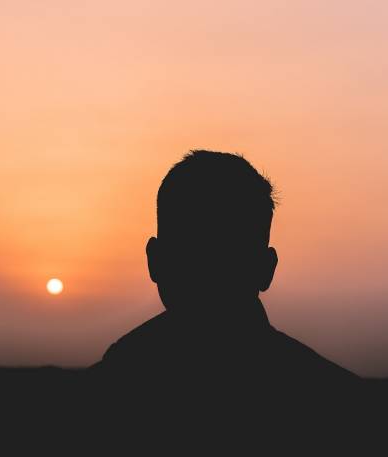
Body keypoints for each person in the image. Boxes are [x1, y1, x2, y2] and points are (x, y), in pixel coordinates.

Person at [90, 150, 358, 394]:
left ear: (155, 261)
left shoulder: (112, 386)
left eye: (223, 255)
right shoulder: (329, 395)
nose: (207, 281)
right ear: (267, 268)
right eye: (194, 254)